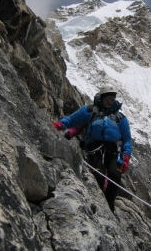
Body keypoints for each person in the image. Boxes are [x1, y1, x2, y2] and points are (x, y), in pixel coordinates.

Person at [52, 83, 132, 212]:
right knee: (98, 176)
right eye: (108, 99)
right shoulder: (90, 111)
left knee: (115, 176)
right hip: (94, 148)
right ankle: (99, 205)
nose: (110, 102)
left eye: (112, 99)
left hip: (112, 151)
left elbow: (127, 139)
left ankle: (109, 203)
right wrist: (60, 125)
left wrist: (126, 156)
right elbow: (72, 120)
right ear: (102, 98)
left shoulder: (120, 118)